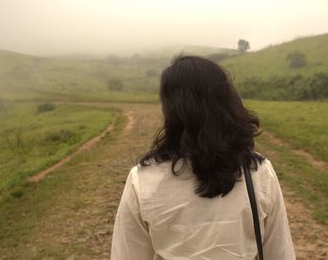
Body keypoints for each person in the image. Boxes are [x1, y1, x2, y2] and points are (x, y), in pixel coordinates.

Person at [110, 55, 295, 260]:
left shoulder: (142, 180)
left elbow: (126, 254)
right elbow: (280, 252)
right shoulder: (259, 173)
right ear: (227, 103)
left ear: (170, 109)